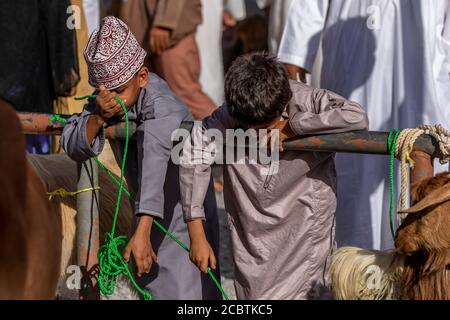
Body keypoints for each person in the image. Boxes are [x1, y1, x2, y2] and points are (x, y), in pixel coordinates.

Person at [179, 52, 369, 299]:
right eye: (251, 130)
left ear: (282, 103)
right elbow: (194, 150)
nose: (260, 136)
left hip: (306, 229)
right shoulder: (233, 112)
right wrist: (196, 233)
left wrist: (294, 127)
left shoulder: (308, 100)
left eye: (266, 128)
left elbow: (356, 116)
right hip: (253, 239)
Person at [61, 16, 221, 300]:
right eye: (103, 93)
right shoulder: (108, 102)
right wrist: (97, 117)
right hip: (146, 214)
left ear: (142, 77)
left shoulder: (164, 106)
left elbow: (154, 163)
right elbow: (73, 144)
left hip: (184, 214)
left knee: (191, 289)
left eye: (120, 92)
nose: (113, 100)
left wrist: (143, 231)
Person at [278, 0, 450, 250]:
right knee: (351, 176)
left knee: (427, 181)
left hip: (424, 80)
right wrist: (295, 55)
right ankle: (352, 273)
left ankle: (424, 274)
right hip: (350, 70)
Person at [119, 0, 216, 120]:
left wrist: (165, 22)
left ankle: (232, 134)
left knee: (188, 98)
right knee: (151, 101)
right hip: (141, 35)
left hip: (170, 34)